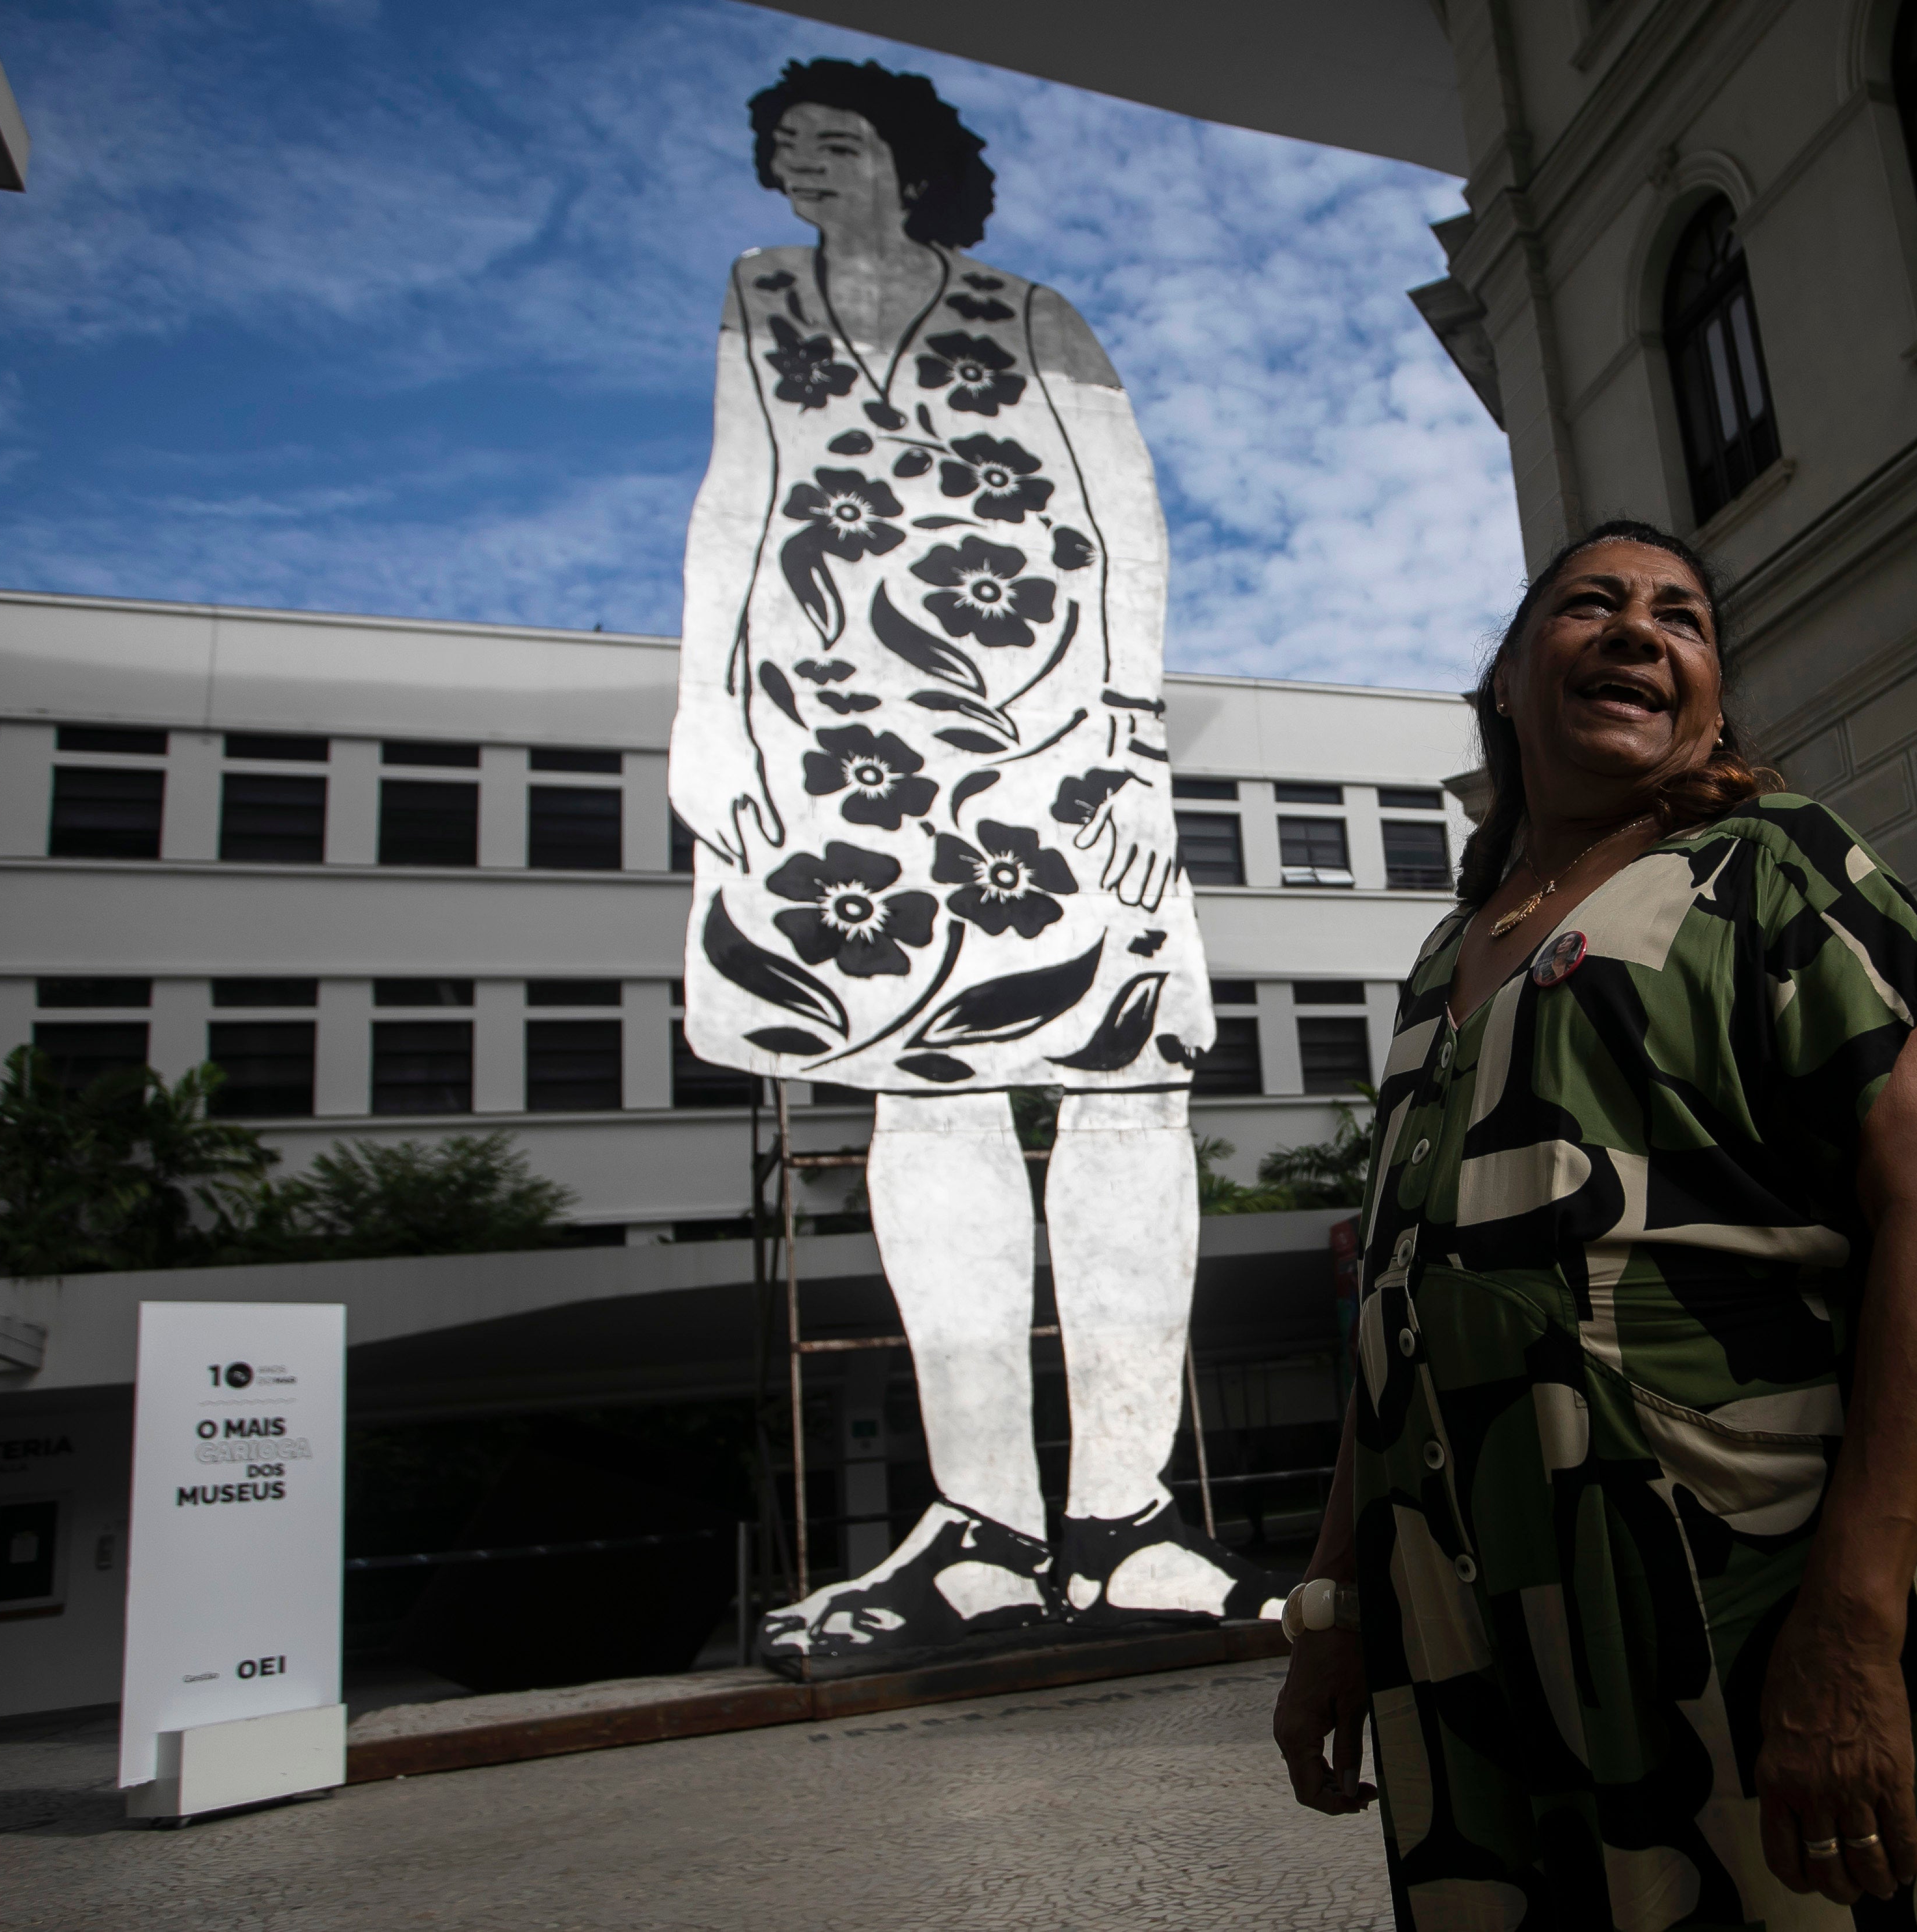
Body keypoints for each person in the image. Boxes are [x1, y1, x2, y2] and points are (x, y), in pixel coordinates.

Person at [1270, 522, 1917, 1929]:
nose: (1637, 631)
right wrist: (1335, 1599)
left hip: (1723, 1588)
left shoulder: (1777, 867)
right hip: (1460, 1624)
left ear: (1712, 697)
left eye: (1681, 618)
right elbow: (1398, 1301)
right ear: (1505, 679)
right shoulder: (1439, 958)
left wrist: (1853, 1623)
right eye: (1590, 604)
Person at [668, 58, 1283, 1668]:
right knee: (920, 1080)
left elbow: (1122, 515)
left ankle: (1130, 1515)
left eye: (836, 137)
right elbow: (739, 495)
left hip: (1053, 718)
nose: (804, 161)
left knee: (1127, 1076)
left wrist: (1128, 732)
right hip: (846, 723)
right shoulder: (764, 297)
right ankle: (989, 1524)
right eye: (786, 143)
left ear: (910, 158)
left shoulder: (1031, 314)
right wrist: (711, 726)